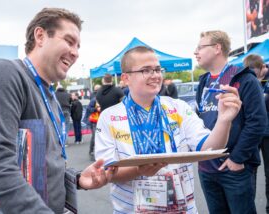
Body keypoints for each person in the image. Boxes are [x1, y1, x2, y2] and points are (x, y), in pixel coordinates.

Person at [0, 8, 116, 213]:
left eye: (78, 46)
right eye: (69, 40)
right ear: (40, 36)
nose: (75, 52)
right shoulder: (5, 74)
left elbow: (41, 167)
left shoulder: (52, 99)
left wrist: (77, 179)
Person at [95, 46, 242, 213]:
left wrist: (224, 120)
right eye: (146, 70)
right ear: (126, 78)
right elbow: (107, 171)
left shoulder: (178, 108)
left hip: (182, 208)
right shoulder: (109, 117)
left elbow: (210, 148)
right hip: (130, 209)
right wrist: (138, 170)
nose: (156, 75)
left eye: (158, 69)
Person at [194, 30, 267, 214]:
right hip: (207, 168)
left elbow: (257, 122)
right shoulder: (203, 81)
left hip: (234, 168)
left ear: (217, 48)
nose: (195, 52)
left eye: (200, 47)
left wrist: (237, 158)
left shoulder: (245, 79)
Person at [244, 54, 269, 213]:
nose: (252, 75)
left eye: (255, 72)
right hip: (253, 133)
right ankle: (248, 207)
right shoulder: (246, 80)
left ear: (262, 68)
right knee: (249, 172)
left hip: (267, 134)